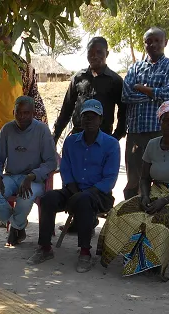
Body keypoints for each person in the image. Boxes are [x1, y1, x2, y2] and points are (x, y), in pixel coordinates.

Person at [97, 100, 169, 278]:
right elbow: (145, 178)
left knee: (161, 220)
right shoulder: (153, 144)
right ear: (159, 121)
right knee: (120, 211)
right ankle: (128, 254)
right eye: (165, 119)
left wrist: (165, 201)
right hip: (155, 191)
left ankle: (153, 264)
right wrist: (144, 195)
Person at [31, 99, 120, 271]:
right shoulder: (71, 142)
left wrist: (83, 194)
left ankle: (85, 252)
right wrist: (74, 191)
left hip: (99, 195)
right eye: (85, 116)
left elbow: (109, 179)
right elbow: (66, 170)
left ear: (100, 120)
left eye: (93, 117)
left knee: (85, 200)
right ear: (80, 119)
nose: (89, 120)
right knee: (48, 198)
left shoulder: (111, 144)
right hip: (72, 190)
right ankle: (45, 247)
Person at [121, 27, 169, 200]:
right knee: (133, 180)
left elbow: (168, 94)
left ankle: (155, 222)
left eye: (157, 40)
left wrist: (141, 88)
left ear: (165, 42)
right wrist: (154, 95)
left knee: (159, 180)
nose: (153, 44)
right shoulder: (135, 68)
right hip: (135, 133)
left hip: (159, 132)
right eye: (149, 41)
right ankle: (131, 220)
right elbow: (126, 95)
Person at [0, 96, 58, 247]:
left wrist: (32, 176)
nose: (22, 116)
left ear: (33, 113)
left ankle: (15, 228)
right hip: (11, 176)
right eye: (18, 112)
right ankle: (19, 224)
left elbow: (51, 162)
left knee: (26, 196)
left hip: (34, 179)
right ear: (13, 112)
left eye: (26, 113)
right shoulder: (7, 129)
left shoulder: (42, 130)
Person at [0, 27, 48, 157]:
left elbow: (34, 98)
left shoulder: (25, 69)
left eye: (5, 44)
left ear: (12, 43)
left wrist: (42, 129)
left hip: (19, 127)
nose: (2, 48)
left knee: (18, 168)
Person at [53, 36, 127, 145]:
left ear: (107, 54)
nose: (94, 56)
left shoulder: (115, 81)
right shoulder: (78, 78)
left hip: (102, 140)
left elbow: (124, 113)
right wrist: (55, 136)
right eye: (90, 52)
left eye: (99, 52)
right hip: (77, 138)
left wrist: (115, 138)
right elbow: (66, 110)